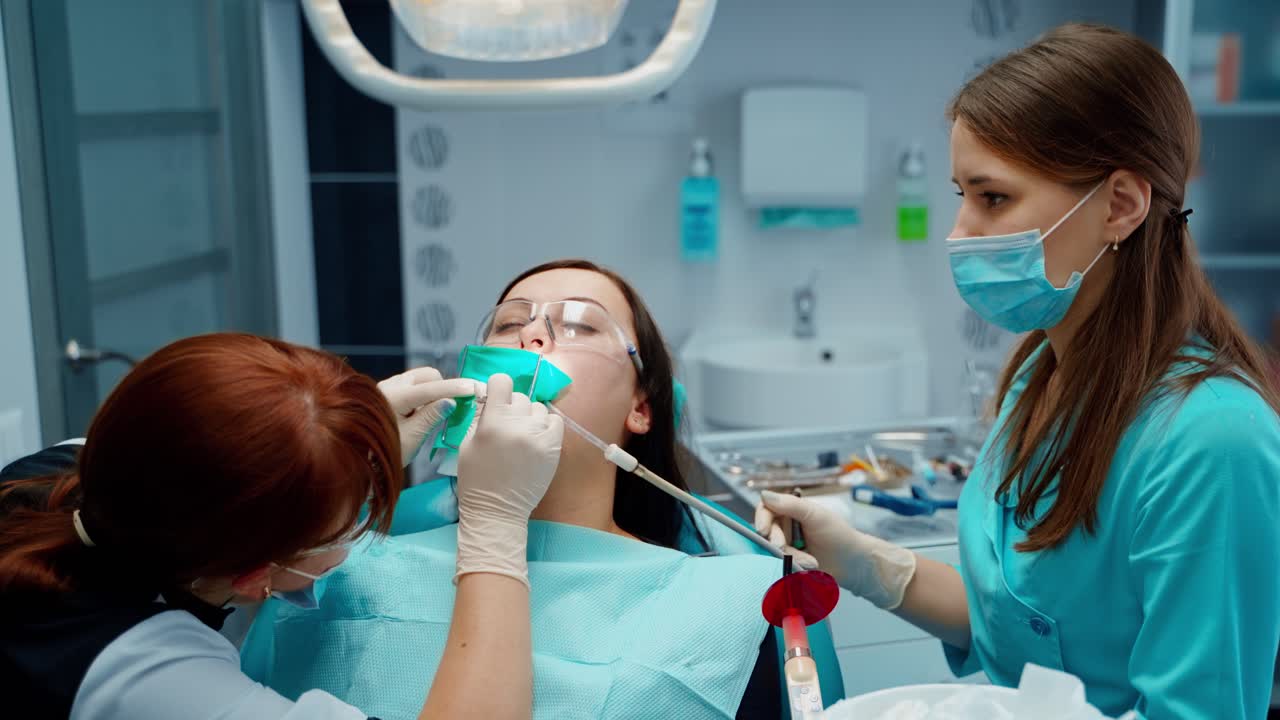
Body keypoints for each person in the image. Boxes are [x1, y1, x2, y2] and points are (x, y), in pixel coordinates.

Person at [758, 22, 1280, 720]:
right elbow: (1016, 622)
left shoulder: (1212, 441)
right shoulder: (1042, 375)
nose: (958, 232)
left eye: (993, 198)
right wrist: (864, 564)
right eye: (960, 195)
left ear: (1120, 206)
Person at [242, 260, 788, 720]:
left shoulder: (730, 601)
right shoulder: (331, 563)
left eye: (580, 324)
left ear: (640, 408)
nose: (533, 334)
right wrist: (350, 472)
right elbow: (216, 574)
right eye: (508, 322)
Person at [0, 332, 564, 720]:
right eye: (347, 529)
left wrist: (337, 456)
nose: (533, 338)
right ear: (253, 579)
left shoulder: (77, 469)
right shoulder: (146, 675)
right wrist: (495, 528)